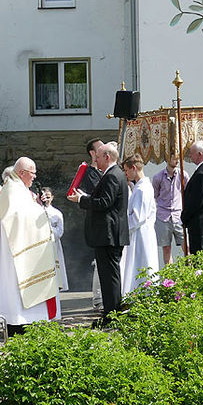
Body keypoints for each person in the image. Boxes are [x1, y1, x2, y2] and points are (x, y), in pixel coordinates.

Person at [0, 157, 61, 334]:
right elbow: (17, 218)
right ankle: (19, 322)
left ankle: (30, 321)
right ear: (22, 173)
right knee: (16, 289)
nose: (34, 177)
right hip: (16, 250)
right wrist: (38, 211)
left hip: (23, 244)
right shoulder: (12, 189)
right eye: (32, 173)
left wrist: (37, 207)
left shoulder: (20, 188)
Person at [69, 142, 129, 324]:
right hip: (110, 233)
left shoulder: (112, 175)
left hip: (108, 234)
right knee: (110, 275)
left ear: (107, 157)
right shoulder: (114, 174)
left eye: (98, 157)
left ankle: (111, 315)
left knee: (109, 276)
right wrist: (85, 197)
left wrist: (82, 199)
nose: (96, 160)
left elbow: (104, 203)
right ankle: (113, 312)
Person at [120, 155, 160, 294]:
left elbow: (137, 218)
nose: (125, 174)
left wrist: (122, 227)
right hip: (141, 232)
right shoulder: (141, 186)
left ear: (134, 168)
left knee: (140, 263)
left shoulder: (142, 189)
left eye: (126, 170)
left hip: (140, 234)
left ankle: (141, 295)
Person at [79, 137, 106, 309]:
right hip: (96, 221)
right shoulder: (89, 173)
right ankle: (98, 298)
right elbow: (98, 193)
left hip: (104, 221)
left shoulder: (104, 171)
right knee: (99, 261)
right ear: (92, 153)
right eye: (100, 148)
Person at [180, 140, 203, 255]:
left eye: (191, 153)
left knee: (201, 261)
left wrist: (184, 217)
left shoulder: (202, 173)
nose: (190, 156)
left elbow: (196, 201)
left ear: (199, 154)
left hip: (200, 225)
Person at [152, 153, 189, 265]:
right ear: (168, 159)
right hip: (163, 216)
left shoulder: (183, 175)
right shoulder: (158, 177)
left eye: (178, 158)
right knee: (166, 248)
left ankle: (191, 272)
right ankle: (170, 277)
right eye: (174, 158)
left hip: (178, 215)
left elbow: (187, 192)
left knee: (186, 247)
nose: (177, 161)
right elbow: (155, 195)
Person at [39, 185, 68, 291]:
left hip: (52, 244)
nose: (46, 198)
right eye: (43, 195)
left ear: (52, 197)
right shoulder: (35, 210)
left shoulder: (57, 213)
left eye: (48, 196)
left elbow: (60, 231)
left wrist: (48, 230)